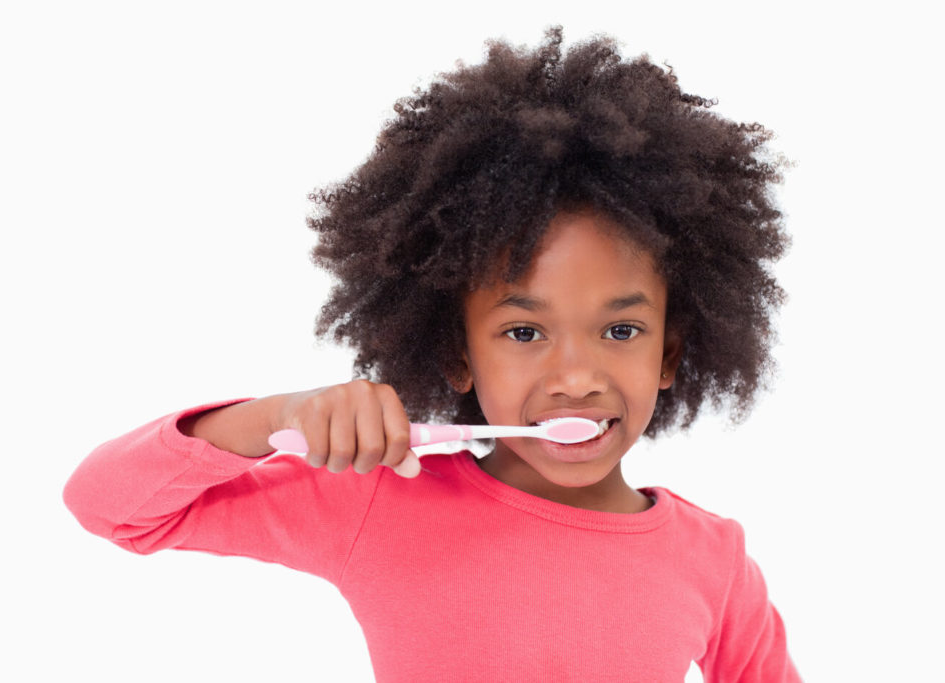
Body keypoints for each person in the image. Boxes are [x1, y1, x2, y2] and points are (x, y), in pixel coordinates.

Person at [64, 27, 801, 681]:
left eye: (620, 331)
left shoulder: (715, 560)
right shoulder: (378, 497)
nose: (577, 377)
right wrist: (278, 416)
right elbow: (110, 506)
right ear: (457, 354)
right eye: (523, 332)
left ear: (670, 354)